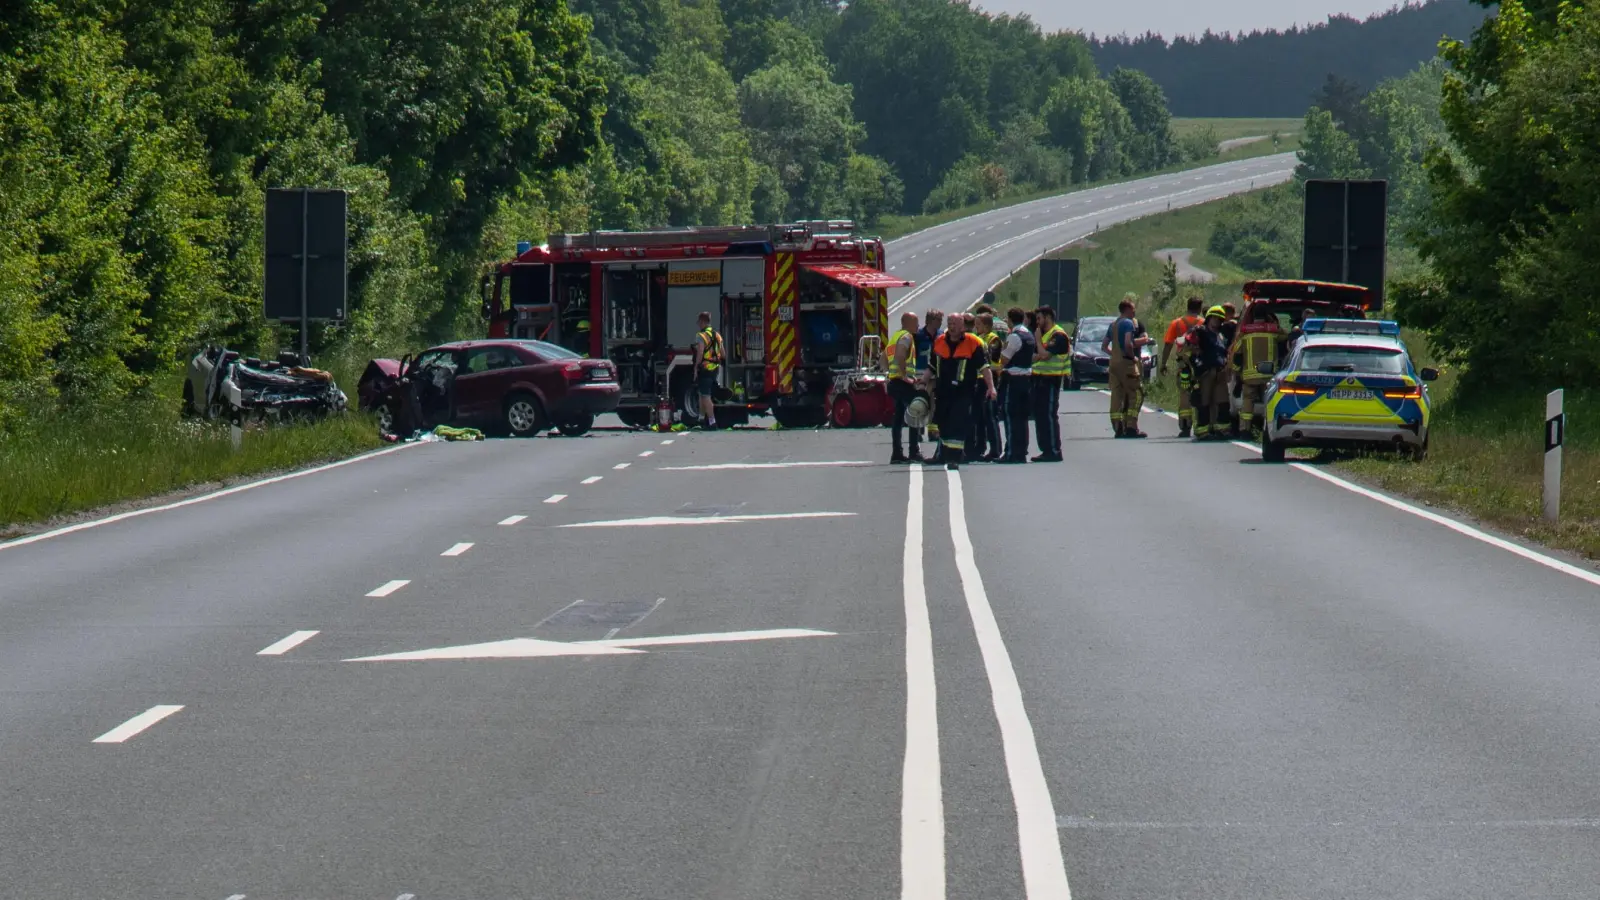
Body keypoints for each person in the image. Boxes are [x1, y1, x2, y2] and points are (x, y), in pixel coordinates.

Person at [923, 312, 996, 470]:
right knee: (942, 423)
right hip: (943, 391)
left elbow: (985, 368)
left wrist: (991, 387)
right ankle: (942, 455)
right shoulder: (939, 341)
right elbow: (932, 366)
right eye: (949, 323)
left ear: (963, 326)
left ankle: (954, 459)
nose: (952, 326)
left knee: (957, 424)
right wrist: (923, 381)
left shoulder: (973, 343)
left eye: (955, 323)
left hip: (963, 391)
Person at [1230, 302, 1283, 438]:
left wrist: (1237, 374)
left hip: (1249, 376)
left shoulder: (1246, 332)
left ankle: (1244, 430)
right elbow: (1288, 340)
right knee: (1268, 402)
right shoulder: (1274, 330)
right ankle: (1267, 431)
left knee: (1247, 402)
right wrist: (1272, 322)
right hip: (1269, 376)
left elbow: (1236, 354)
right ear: (1267, 315)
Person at [1029, 305, 1071, 461]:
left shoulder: (1058, 335)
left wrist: (1039, 342)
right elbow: (1035, 356)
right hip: (1038, 379)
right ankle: (1045, 450)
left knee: (1048, 415)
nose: (1037, 322)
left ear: (1047, 317)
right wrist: (1040, 350)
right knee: (1039, 416)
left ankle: (1054, 450)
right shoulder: (1045, 335)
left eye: (1039, 318)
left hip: (1051, 380)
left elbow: (1044, 355)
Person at [1160, 297, 1205, 437]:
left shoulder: (1177, 323)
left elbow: (1168, 344)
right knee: (1201, 392)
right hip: (1200, 364)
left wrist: (1163, 363)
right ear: (1199, 308)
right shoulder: (1204, 323)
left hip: (1183, 364)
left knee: (1184, 393)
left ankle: (1185, 425)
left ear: (1187, 306)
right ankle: (1201, 425)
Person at [1107, 297, 1152, 438]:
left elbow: (1104, 345)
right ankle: (1131, 427)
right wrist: (1132, 357)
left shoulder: (1113, 324)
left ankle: (1118, 427)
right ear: (1127, 310)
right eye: (1133, 309)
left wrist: (1115, 355)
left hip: (1113, 364)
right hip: (1127, 364)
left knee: (1117, 395)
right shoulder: (1128, 323)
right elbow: (1128, 343)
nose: (1134, 312)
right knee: (1136, 393)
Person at [996, 306, 1036, 463]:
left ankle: (1011, 452)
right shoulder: (1029, 335)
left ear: (1010, 320)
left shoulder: (1014, 336)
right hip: (1026, 379)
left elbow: (1004, 359)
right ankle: (1021, 450)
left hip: (1013, 379)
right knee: (1021, 418)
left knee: (1011, 417)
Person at [886, 312, 924, 464]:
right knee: (915, 414)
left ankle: (897, 453)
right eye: (916, 322)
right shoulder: (907, 337)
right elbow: (901, 355)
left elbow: (883, 359)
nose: (918, 326)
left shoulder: (894, 337)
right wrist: (904, 376)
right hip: (902, 383)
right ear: (908, 323)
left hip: (894, 382)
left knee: (898, 418)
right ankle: (914, 452)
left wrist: (889, 374)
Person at [1190, 305, 1232, 440]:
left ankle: (1222, 430)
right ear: (1208, 318)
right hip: (1206, 372)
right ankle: (1202, 431)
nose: (1217, 321)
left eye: (1220, 319)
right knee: (1204, 402)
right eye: (1214, 318)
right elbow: (1189, 348)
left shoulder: (1221, 335)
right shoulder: (1200, 332)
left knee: (1223, 402)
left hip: (1220, 372)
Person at [971, 312, 1004, 462]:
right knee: (979, 417)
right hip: (978, 380)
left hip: (990, 379)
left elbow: (992, 359)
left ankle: (995, 449)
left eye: (978, 325)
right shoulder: (979, 338)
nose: (976, 327)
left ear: (986, 325)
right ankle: (979, 447)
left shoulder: (993, 339)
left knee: (990, 416)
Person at [692, 312, 723, 430]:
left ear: (702, 321)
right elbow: (723, 353)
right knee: (702, 393)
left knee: (705, 396)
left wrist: (696, 367)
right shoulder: (717, 335)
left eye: (699, 322)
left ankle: (712, 422)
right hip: (715, 368)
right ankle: (701, 419)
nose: (698, 325)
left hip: (704, 368)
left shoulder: (701, 335)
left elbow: (700, 352)